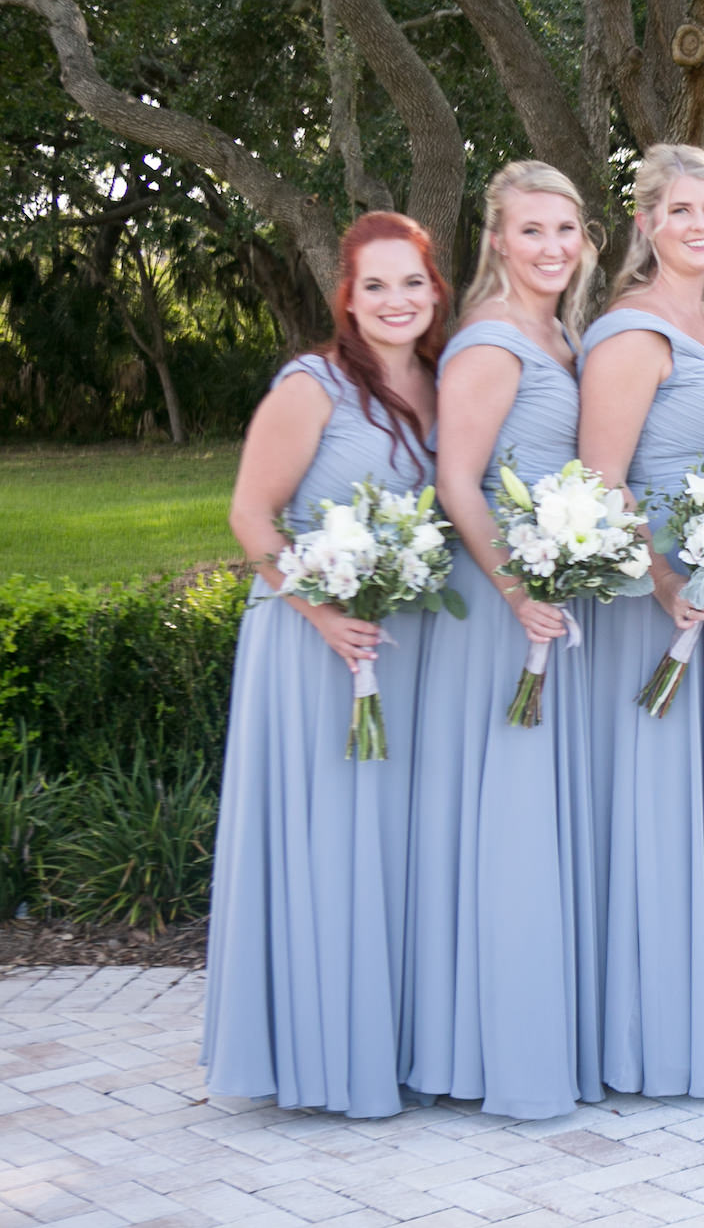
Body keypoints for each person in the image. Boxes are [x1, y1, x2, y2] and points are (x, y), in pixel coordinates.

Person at [205, 211, 446, 1117]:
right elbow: (251, 516)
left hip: (401, 641)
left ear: (435, 290)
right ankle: (315, 1054)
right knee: (327, 844)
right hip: (313, 643)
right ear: (346, 295)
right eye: (375, 285)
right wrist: (322, 610)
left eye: (412, 283)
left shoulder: (440, 378)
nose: (396, 301)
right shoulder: (313, 385)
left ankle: (383, 1041)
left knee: (384, 849)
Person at [404, 161, 604, 1118]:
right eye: (534, 232)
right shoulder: (489, 340)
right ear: (496, 240)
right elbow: (458, 482)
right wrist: (519, 590)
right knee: (507, 818)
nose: (553, 248)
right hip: (499, 604)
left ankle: (534, 1028)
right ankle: (493, 1051)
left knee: (532, 817)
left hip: (544, 591)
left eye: (566, 231)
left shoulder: (559, 333)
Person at [577, 143, 704, 1098]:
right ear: (645, 224)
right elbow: (601, 480)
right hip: (653, 604)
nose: (699, 224)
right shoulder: (633, 329)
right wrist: (659, 579)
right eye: (679, 209)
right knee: (656, 810)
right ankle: (648, 1035)